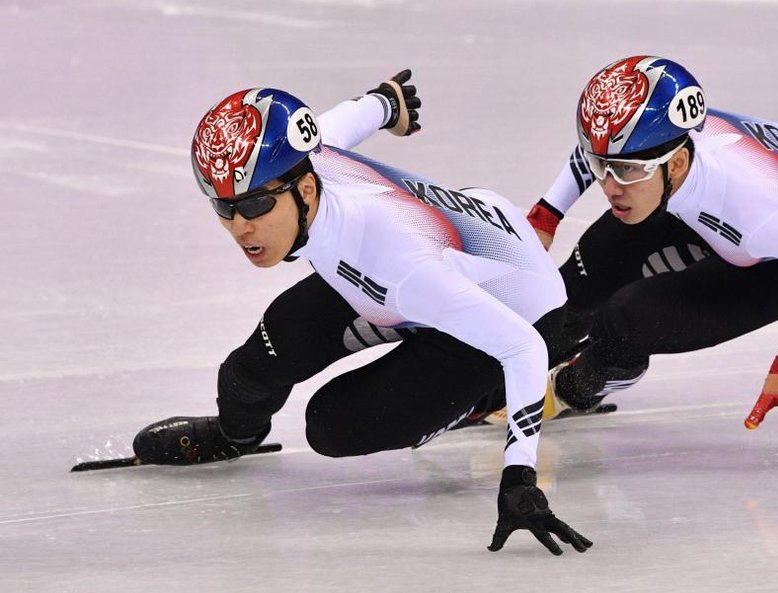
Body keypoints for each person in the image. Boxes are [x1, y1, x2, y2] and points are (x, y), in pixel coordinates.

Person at [132, 71, 591, 555]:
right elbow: (342, 122)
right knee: (248, 374)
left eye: (256, 204)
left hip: (513, 312)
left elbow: (522, 346)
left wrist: (519, 476)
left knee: (331, 427)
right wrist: (387, 103)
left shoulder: (399, 263)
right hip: (415, 283)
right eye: (223, 209)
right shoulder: (305, 160)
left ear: (305, 190)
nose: (241, 227)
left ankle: (481, 397)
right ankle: (236, 437)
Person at [525, 56, 778, 459]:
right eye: (601, 168)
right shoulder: (656, 134)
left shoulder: (764, 215)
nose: (609, 186)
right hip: (712, 199)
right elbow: (602, 144)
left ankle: (570, 391)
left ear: (675, 162)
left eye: (624, 170)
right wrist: (546, 215)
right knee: (577, 283)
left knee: (625, 322)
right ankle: (514, 365)